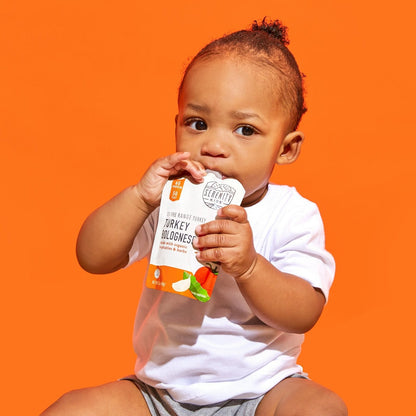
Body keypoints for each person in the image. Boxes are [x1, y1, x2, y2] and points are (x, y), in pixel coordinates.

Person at [41, 18, 347, 416]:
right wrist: (139, 199)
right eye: (197, 124)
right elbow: (93, 257)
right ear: (177, 125)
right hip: (159, 394)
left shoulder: (293, 214)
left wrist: (250, 267)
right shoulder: (172, 197)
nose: (214, 145)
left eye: (245, 130)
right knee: (71, 409)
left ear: (286, 149)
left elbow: (304, 312)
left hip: (261, 392)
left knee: (321, 408)